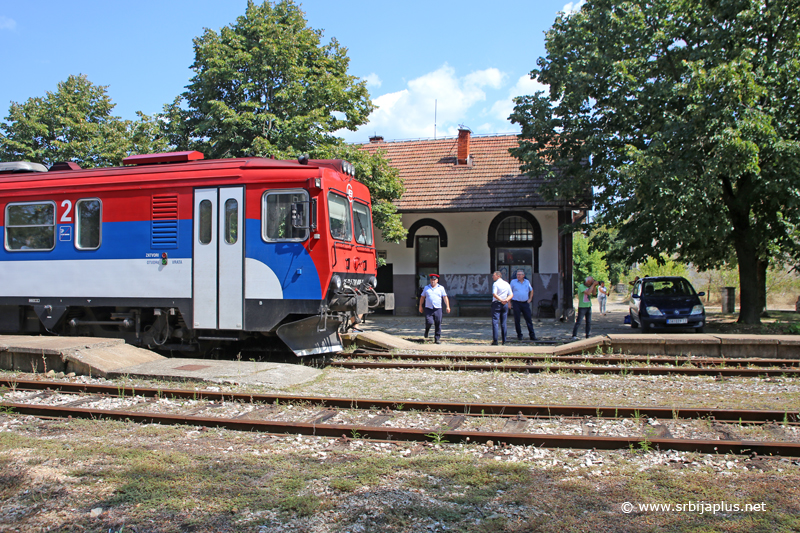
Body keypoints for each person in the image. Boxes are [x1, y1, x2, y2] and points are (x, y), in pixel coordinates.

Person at [418, 274, 450, 344]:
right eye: (432, 280)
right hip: (428, 308)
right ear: (430, 280)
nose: (433, 281)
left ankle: (437, 338)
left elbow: (445, 297)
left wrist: (447, 306)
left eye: (434, 280)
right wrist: (420, 306)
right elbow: (422, 297)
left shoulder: (441, 288)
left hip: (437, 308)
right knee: (429, 322)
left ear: (437, 280)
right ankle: (427, 330)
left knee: (438, 323)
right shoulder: (426, 288)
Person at [510, 269, 537, 341]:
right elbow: (509, 292)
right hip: (516, 303)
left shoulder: (527, 282)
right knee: (517, 320)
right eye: (517, 274)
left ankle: (532, 335)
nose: (518, 276)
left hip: (525, 303)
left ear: (523, 275)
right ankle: (519, 335)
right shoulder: (513, 282)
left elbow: (531, 290)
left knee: (528, 319)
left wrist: (530, 298)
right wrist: (509, 302)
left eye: (520, 274)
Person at [572, 275, 599, 340]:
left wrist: (594, 286)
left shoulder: (590, 286)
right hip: (582, 307)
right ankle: (574, 335)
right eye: (592, 281)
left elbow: (594, 294)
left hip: (588, 306)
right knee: (579, 321)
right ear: (588, 281)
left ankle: (588, 335)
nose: (592, 282)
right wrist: (593, 285)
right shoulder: (581, 286)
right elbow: (588, 293)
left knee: (588, 322)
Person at [491, 271, 513, 345]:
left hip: (497, 303)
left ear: (498, 276)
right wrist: (506, 300)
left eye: (493, 275)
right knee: (503, 322)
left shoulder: (496, 284)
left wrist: (501, 300)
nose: (492, 277)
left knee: (495, 322)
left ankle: (495, 340)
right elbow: (511, 294)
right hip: (505, 304)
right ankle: (504, 340)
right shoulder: (506, 284)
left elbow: (494, 294)